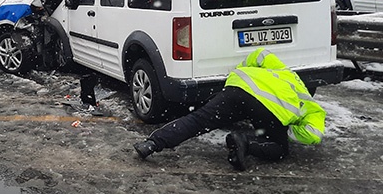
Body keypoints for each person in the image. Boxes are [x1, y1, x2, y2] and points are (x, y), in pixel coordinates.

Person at [133, 48, 326, 171]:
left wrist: (240, 71)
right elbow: (313, 135)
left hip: (239, 88)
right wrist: (288, 129)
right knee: (280, 149)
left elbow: (260, 54)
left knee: (198, 120)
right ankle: (245, 144)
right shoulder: (313, 108)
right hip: (269, 110)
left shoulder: (284, 72)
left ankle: (152, 143)